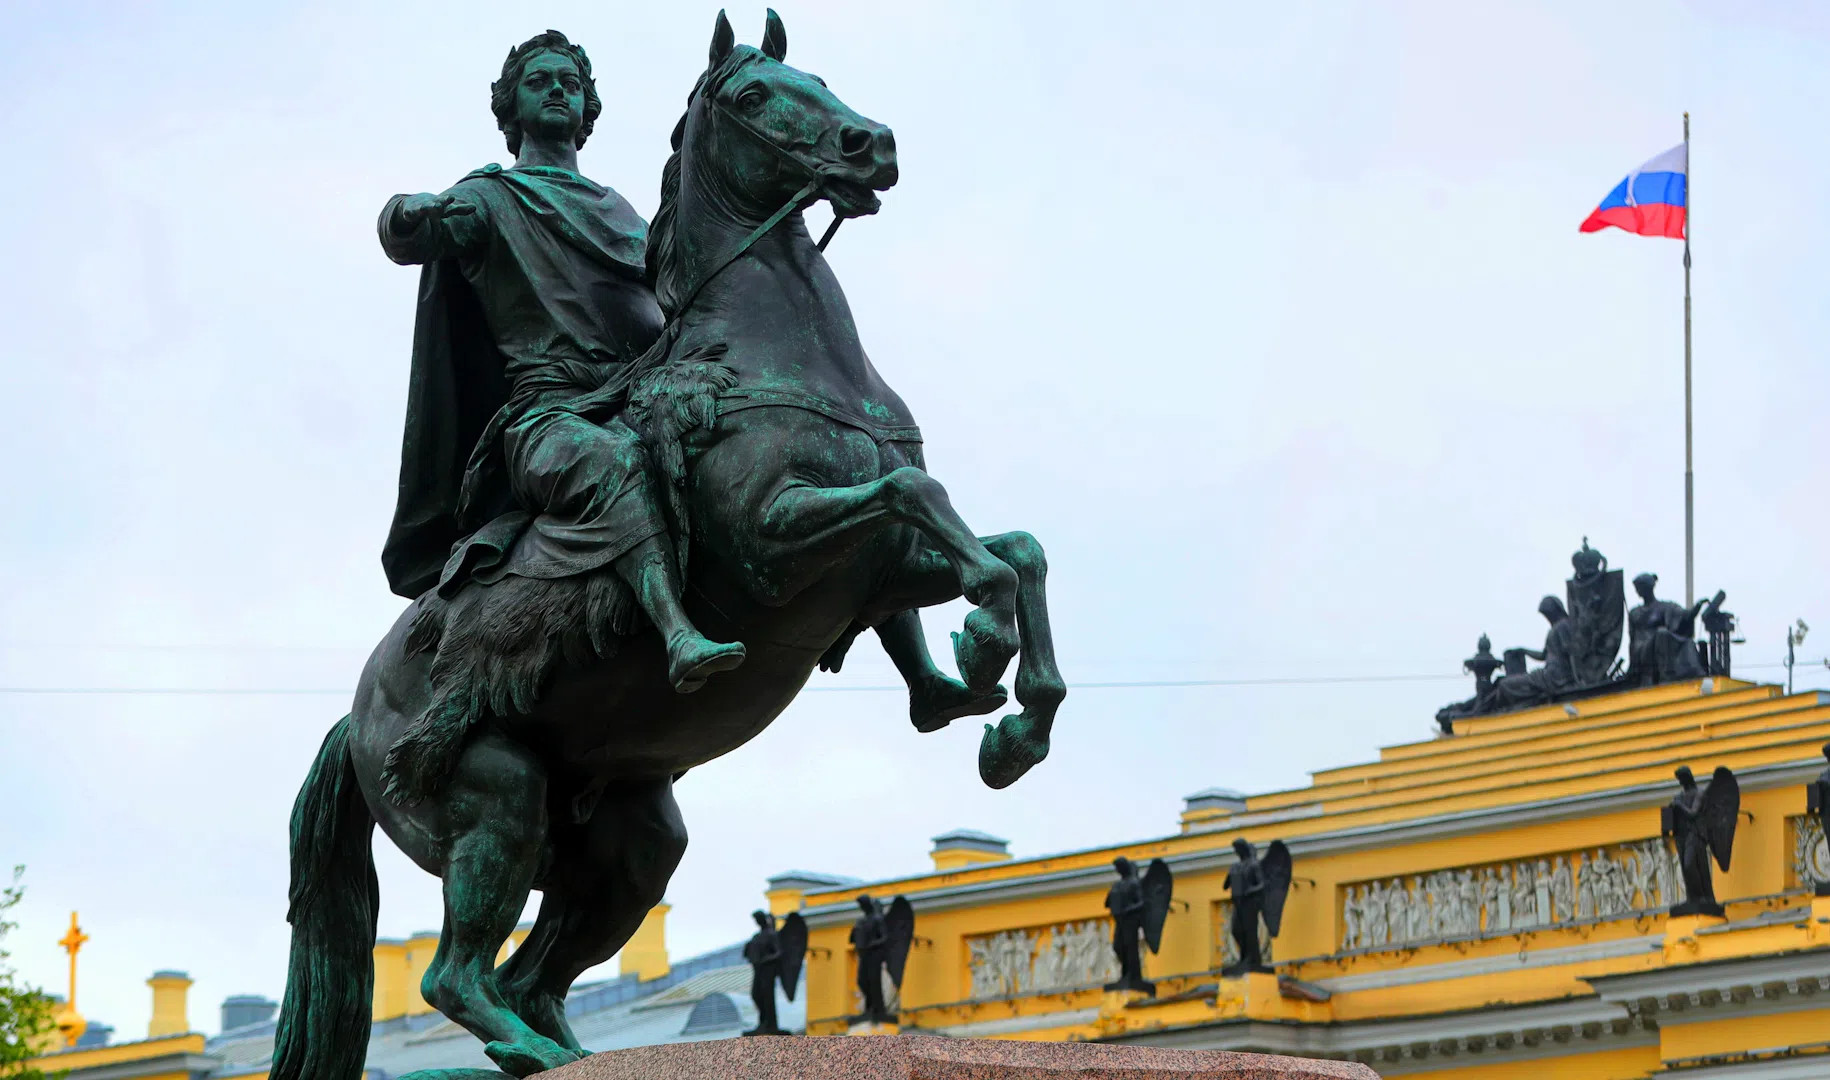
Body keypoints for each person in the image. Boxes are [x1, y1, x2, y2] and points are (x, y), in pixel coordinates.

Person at [377, 31, 745, 692]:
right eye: (540, 80)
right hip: (547, 417)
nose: (557, 90)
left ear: (587, 108)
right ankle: (676, 632)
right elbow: (414, 235)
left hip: (635, 396)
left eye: (570, 83)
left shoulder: (622, 211)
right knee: (613, 463)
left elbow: (676, 294)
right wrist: (406, 217)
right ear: (512, 106)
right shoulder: (489, 199)